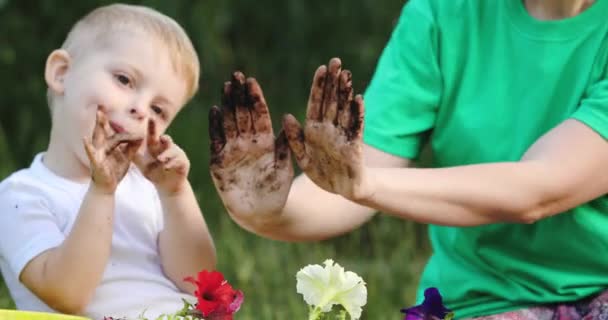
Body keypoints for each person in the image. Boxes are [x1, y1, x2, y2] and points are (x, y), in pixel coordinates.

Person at [207, 0, 608, 319]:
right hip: (483, 301)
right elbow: (351, 177)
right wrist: (267, 211)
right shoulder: (444, 12)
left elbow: (540, 189)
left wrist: (363, 184)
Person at [0, 4, 216, 319]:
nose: (141, 110)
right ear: (62, 74)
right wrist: (102, 191)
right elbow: (67, 294)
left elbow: (198, 283)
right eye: (125, 80)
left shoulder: (148, 190)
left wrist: (174, 193)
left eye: (158, 110)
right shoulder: (19, 196)